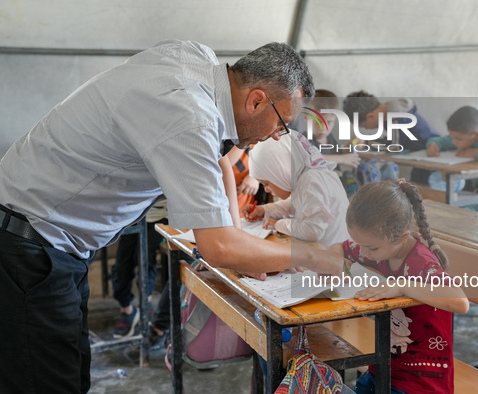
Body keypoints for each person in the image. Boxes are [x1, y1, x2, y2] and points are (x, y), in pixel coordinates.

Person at [0, 40, 345, 393]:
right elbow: (219, 248)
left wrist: (240, 239)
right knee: (47, 382)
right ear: (256, 99)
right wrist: (313, 255)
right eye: (281, 124)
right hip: (30, 245)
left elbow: (222, 162)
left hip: (50, 241)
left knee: (71, 372)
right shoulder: (189, 115)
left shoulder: (197, 61)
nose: (277, 135)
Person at [330, 180, 469, 394]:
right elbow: (340, 247)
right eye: (361, 245)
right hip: (385, 367)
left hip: (421, 381)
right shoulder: (379, 248)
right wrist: (339, 262)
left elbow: (460, 301)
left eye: (371, 248)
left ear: (402, 237)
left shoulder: (422, 262)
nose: (364, 253)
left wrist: (402, 286)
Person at [241, 131, 350, 247]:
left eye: (266, 183)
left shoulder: (311, 181)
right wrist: (264, 210)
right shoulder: (309, 175)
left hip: (331, 258)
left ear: (282, 171)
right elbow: (296, 204)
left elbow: (312, 231)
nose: (266, 190)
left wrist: (279, 224)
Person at [112, 200, 168, 339]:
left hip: (160, 217)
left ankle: (146, 304)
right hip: (132, 213)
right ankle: (127, 309)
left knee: (145, 260)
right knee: (122, 264)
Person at [342, 91, 441, 152]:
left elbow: (395, 146)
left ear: (370, 116)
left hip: (433, 150)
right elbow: (394, 140)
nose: (367, 129)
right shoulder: (388, 112)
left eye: (365, 126)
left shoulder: (395, 116)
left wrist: (367, 144)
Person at [304, 89, 361, 169]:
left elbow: (338, 153)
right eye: (318, 121)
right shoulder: (303, 140)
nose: (323, 127)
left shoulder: (329, 137)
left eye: (329, 122)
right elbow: (311, 159)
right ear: (306, 118)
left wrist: (350, 145)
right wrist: (342, 159)